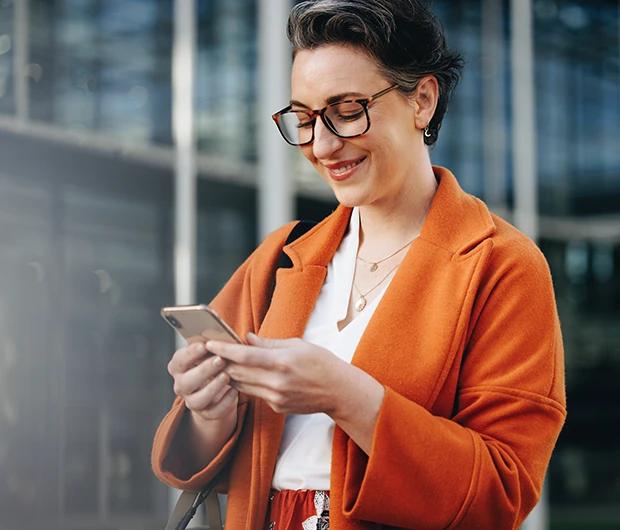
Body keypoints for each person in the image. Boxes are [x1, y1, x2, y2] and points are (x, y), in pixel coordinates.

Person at [152, 0, 567, 528]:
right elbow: (199, 463)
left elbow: (501, 491)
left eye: (348, 110)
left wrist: (347, 396)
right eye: (303, 118)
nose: (322, 145)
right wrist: (212, 414)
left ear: (422, 100)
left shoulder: (501, 266)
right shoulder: (280, 256)